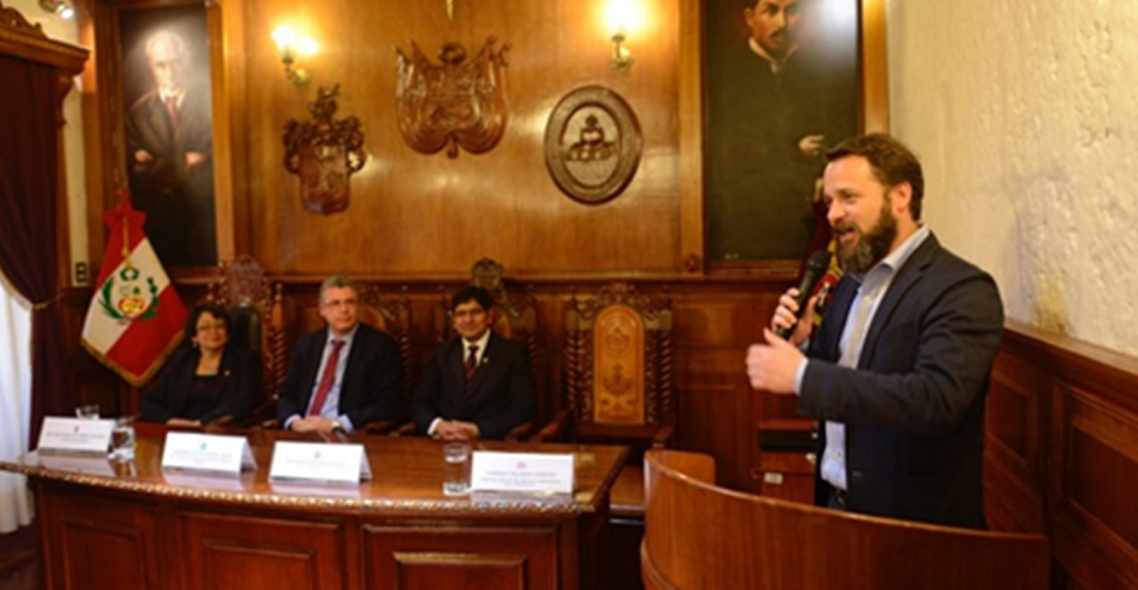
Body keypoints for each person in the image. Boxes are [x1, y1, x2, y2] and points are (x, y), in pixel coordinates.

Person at [744, 133, 1004, 529]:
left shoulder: (961, 289)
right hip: (837, 505)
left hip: (912, 530)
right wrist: (805, 344)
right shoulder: (851, 281)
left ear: (900, 196)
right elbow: (849, 379)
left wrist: (802, 375)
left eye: (848, 198)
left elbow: (935, 400)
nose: (833, 215)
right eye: (829, 202)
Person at [705, 0, 859, 260]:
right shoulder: (724, 75)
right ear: (750, 18)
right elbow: (729, 155)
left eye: (792, 12)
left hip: (811, 228)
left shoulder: (821, 72)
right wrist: (794, 152)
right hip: (750, 227)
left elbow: (841, 129)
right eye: (771, 11)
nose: (782, 23)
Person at [125, 29, 216, 267]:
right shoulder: (138, 114)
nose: (170, 72)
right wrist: (184, 163)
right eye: (161, 65)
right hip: (158, 227)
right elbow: (138, 175)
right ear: (151, 68)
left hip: (204, 225)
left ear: (186, 62)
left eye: (176, 63)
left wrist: (156, 164)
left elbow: (212, 162)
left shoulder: (211, 104)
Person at [277, 276, 404, 434]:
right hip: (301, 431)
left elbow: (390, 403)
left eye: (350, 302)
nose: (344, 310)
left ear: (358, 307)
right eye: (335, 303)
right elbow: (287, 394)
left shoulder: (381, 347)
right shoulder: (305, 346)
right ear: (322, 310)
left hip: (347, 435)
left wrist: (337, 424)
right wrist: (294, 422)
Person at [412, 286, 535, 441]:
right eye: (461, 314)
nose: (468, 320)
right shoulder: (442, 353)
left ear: (489, 316)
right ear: (454, 321)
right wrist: (438, 425)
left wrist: (479, 430)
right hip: (444, 441)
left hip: (490, 441)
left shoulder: (512, 353)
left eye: (475, 312)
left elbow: (523, 408)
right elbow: (420, 401)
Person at [140, 302, 264, 427]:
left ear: (227, 333)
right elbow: (151, 400)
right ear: (194, 336)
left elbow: (245, 401)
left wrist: (201, 423)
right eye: (205, 327)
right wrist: (170, 421)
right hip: (179, 429)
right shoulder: (181, 359)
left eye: (220, 326)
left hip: (222, 430)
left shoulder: (245, 360)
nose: (213, 332)